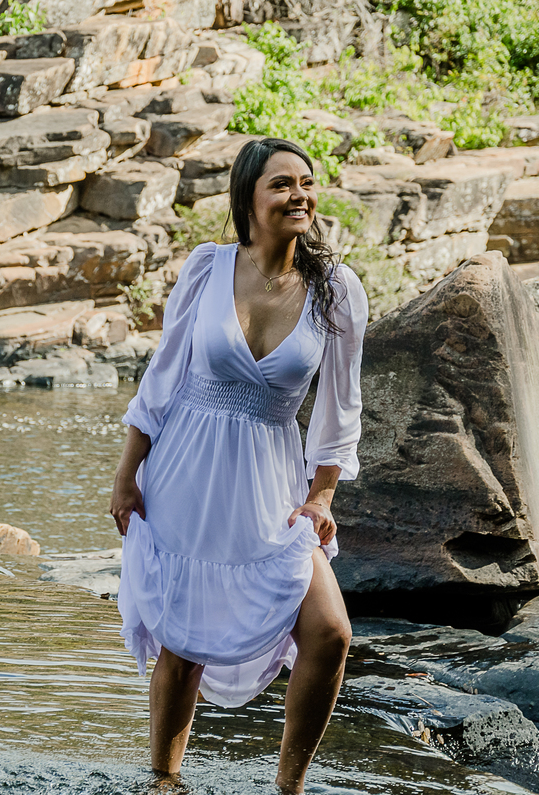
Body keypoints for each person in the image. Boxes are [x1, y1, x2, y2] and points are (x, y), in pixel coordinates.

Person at [108, 137, 367, 793]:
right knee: (182, 647)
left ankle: (289, 787)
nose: (299, 195)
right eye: (281, 184)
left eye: (306, 182)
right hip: (186, 472)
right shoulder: (207, 268)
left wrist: (322, 497)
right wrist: (126, 475)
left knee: (330, 632)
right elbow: (162, 376)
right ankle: (164, 782)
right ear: (248, 199)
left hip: (269, 484)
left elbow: (341, 407)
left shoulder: (336, 290)